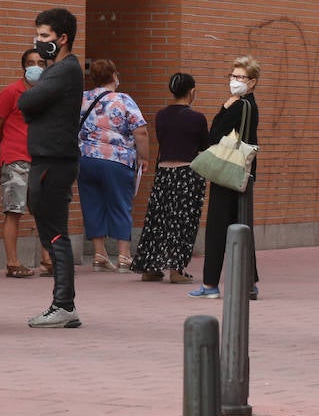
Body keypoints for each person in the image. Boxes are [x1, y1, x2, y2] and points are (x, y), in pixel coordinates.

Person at [19, 8, 85, 328]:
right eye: (38, 36)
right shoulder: (56, 71)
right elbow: (32, 108)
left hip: (54, 160)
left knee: (55, 231)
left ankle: (63, 304)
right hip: (48, 158)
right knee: (48, 225)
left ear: (62, 38)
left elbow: (26, 104)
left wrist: (34, 105)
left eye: (45, 36)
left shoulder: (65, 70)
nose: (39, 42)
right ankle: (63, 303)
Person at [189, 56, 262, 299]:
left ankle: (210, 285)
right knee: (243, 226)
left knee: (217, 229)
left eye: (240, 77)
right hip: (244, 173)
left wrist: (225, 107)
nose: (234, 81)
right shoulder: (252, 105)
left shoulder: (239, 106)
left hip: (228, 172)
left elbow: (214, 135)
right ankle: (249, 283)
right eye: (232, 76)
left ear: (252, 82)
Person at [132, 73, 209, 284]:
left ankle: (149, 267)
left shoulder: (161, 115)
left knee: (158, 220)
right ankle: (177, 269)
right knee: (183, 221)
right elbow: (204, 146)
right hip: (187, 174)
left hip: (164, 173)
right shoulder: (197, 118)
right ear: (192, 91)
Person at [78, 59, 150, 272]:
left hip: (86, 159)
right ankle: (124, 256)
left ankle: (99, 254)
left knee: (92, 204)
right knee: (120, 204)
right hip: (116, 160)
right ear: (114, 76)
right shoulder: (123, 100)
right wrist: (143, 157)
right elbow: (141, 131)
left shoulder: (82, 98)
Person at [0, 49, 53, 278]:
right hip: (15, 159)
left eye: (40, 62)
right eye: (31, 62)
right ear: (23, 67)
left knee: (44, 211)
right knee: (14, 210)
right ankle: (13, 262)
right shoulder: (10, 92)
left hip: (42, 160)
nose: (36, 66)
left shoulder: (49, 94)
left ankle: (48, 259)